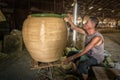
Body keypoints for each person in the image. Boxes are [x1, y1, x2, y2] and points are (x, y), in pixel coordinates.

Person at [64, 14, 104, 80]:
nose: (84, 23)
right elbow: (74, 28)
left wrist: (71, 58)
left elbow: (85, 50)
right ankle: (75, 71)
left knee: (83, 64)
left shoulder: (97, 37)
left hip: (96, 57)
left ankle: (84, 78)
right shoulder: (86, 32)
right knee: (71, 53)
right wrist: (69, 20)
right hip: (88, 53)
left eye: (87, 22)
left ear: (93, 25)